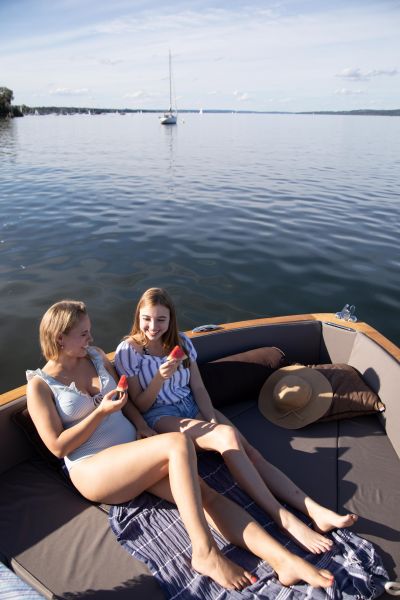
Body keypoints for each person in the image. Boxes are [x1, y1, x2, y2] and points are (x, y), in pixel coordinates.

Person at [26, 299, 335, 592]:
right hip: (95, 468)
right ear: (59, 338)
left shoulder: (94, 356)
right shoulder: (41, 385)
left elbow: (126, 401)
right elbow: (57, 447)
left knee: (207, 497)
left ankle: (284, 560)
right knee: (176, 444)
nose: (90, 337)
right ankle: (204, 553)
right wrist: (101, 412)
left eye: (89, 330)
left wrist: (142, 425)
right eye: (83, 333)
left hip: (135, 454)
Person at [115, 287, 358, 556]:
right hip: (161, 416)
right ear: (138, 315)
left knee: (251, 452)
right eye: (147, 318)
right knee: (228, 438)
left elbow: (199, 390)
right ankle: (284, 519)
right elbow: (139, 403)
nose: (153, 326)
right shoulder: (129, 351)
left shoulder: (181, 343)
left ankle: (313, 509)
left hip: (193, 408)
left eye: (161, 319)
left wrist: (210, 419)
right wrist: (160, 378)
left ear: (171, 319)